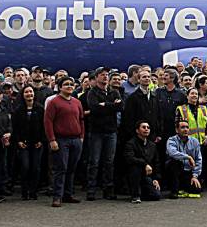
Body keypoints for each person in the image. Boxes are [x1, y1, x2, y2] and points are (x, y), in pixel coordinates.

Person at [44, 76, 85, 207]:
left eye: (71, 84)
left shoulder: (77, 102)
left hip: (76, 139)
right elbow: (48, 122)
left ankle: (68, 194)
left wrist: (82, 136)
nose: (69, 86)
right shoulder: (54, 102)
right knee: (61, 168)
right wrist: (52, 139)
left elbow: (81, 120)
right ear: (60, 87)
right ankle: (57, 196)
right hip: (61, 139)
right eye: (66, 84)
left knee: (72, 168)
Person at [85, 67, 123, 201]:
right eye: (102, 75)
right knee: (94, 162)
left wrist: (105, 105)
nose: (105, 77)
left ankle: (108, 190)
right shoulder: (92, 93)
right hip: (96, 131)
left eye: (107, 75)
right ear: (96, 78)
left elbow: (120, 107)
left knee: (109, 162)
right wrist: (111, 105)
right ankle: (91, 190)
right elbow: (94, 108)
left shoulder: (114, 92)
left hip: (111, 131)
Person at [12, 85, 45, 201]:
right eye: (26, 92)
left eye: (31, 92)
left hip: (37, 143)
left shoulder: (40, 109)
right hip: (23, 144)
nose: (29, 94)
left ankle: (33, 191)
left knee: (36, 167)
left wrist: (41, 140)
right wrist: (18, 141)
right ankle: (24, 191)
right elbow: (14, 128)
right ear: (22, 94)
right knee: (25, 166)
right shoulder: (17, 110)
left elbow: (44, 126)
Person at [121, 121, 161, 203]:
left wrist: (155, 178)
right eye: (143, 127)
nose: (146, 129)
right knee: (135, 166)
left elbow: (156, 162)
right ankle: (135, 196)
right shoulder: (131, 143)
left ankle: (141, 192)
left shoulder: (152, 145)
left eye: (148, 127)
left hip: (146, 175)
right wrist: (145, 164)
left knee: (156, 195)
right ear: (137, 130)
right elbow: (129, 158)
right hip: (133, 175)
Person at [165, 121, 203, 199]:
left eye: (187, 127)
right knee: (174, 162)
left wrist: (195, 176)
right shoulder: (171, 140)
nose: (185, 129)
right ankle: (174, 191)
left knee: (197, 190)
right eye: (182, 127)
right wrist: (188, 157)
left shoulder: (195, 141)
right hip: (175, 172)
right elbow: (172, 153)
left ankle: (184, 188)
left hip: (188, 172)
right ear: (177, 130)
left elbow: (199, 160)